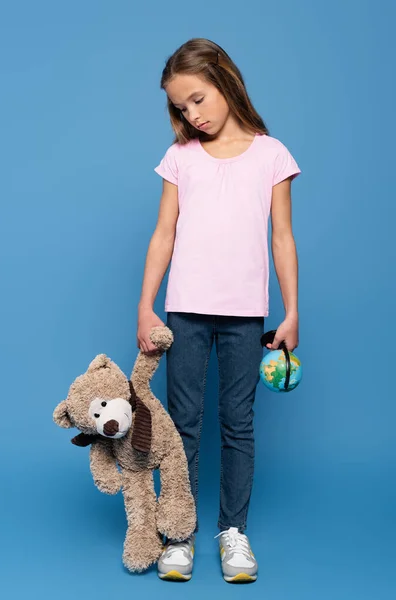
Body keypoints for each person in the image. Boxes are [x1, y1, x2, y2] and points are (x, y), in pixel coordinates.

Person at [136, 37, 301, 583]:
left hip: (245, 315)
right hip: (183, 312)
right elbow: (164, 233)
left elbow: (282, 237)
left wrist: (292, 310)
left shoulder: (271, 154)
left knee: (238, 424)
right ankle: (177, 534)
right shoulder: (180, 158)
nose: (192, 115)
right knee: (180, 425)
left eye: (199, 99)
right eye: (181, 108)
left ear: (226, 81)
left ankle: (234, 532)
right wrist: (145, 306)